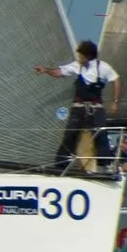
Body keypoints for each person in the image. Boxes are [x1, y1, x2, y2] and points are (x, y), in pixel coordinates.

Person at [39, 41, 119, 173]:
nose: (79, 57)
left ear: (87, 55)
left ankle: (105, 164)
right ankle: (60, 164)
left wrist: (115, 101)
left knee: (101, 134)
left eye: (81, 55)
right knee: (70, 133)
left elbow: (116, 80)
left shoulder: (103, 67)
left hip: (96, 108)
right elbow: (59, 72)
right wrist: (46, 70)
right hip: (79, 107)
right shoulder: (77, 66)